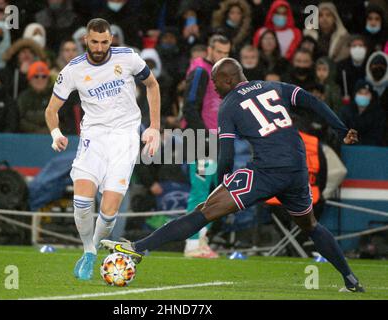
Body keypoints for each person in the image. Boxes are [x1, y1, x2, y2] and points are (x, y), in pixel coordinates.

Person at [102, 57, 365, 293]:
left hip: (265, 171)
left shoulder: (229, 105)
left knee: (203, 211)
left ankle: (136, 248)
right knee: (311, 226)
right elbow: (313, 102)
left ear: (229, 78)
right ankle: (351, 279)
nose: (214, 89)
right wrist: (341, 130)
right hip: (297, 169)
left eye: (216, 83)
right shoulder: (274, 87)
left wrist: (225, 183)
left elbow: (226, 154)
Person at [44, 18, 161, 280]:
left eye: (104, 42)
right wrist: (55, 133)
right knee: (83, 201)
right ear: (86, 39)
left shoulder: (129, 58)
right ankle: (88, 251)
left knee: (108, 211)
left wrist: (154, 126)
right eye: (94, 42)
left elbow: (152, 85)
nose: (99, 47)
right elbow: (51, 109)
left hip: (124, 137)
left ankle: (94, 246)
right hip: (93, 137)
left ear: (111, 40)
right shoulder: (73, 70)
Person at [181, 34, 231, 258]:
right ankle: (192, 243)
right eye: (219, 52)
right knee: (200, 190)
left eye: (226, 53)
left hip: (214, 139)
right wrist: (203, 137)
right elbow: (189, 107)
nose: (222, 56)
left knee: (212, 191)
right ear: (209, 50)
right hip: (201, 139)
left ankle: (201, 239)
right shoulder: (200, 71)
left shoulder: (219, 73)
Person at [18, 61, 52, 134]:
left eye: (44, 76)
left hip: (51, 137)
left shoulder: (55, 96)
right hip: (27, 137)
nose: (40, 79)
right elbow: (20, 119)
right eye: (36, 76)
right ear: (29, 79)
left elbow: (60, 118)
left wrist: (47, 130)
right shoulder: (24, 96)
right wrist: (37, 130)